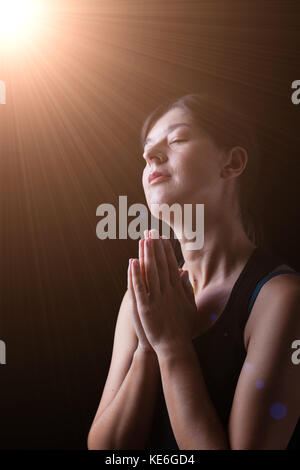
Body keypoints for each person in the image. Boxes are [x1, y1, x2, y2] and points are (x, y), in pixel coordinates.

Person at [87, 93, 300, 450]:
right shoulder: (143, 297)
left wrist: (171, 347)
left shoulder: (281, 299)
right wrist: (147, 351)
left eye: (177, 139)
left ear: (231, 163)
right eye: (147, 149)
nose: (150, 155)